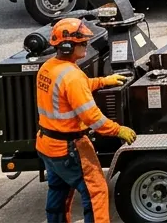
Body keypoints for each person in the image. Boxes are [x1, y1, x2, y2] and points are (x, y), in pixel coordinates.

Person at [35, 18, 137, 223]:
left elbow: (69, 92)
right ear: (67, 46)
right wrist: (118, 130)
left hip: (46, 144)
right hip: (69, 147)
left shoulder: (49, 67)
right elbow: (93, 118)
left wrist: (102, 81)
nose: (86, 46)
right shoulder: (72, 76)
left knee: (58, 190)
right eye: (81, 42)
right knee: (96, 192)